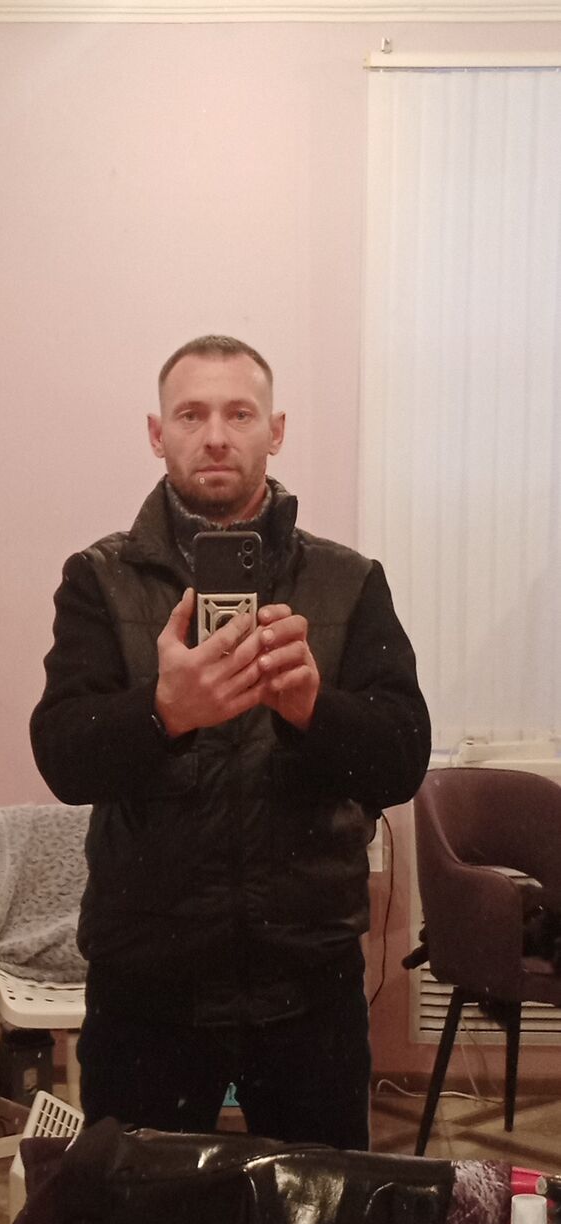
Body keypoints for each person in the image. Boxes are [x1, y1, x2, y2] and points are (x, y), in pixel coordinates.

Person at [30, 334, 431, 1149]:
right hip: (146, 989)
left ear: (274, 430)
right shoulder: (97, 579)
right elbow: (64, 757)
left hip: (306, 988)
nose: (215, 435)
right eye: (191, 414)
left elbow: (401, 759)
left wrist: (312, 708)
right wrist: (163, 711)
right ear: (157, 434)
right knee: (141, 1217)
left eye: (238, 413)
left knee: (316, 1215)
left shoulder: (350, 581)